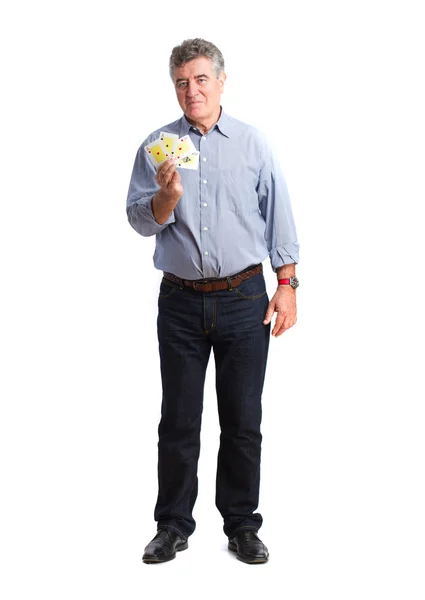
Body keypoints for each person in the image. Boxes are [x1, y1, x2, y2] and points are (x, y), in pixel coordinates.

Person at [126, 38, 299, 565]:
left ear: (221, 82)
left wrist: (287, 284)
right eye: (181, 81)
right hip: (179, 303)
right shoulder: (157, 146)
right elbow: (137, 218)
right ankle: (172, 525)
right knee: (178, 420)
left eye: (201, 79)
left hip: (245, 299)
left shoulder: (252, 144)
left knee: (243, 420)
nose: (191, 90)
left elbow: (279, 215)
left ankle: (243, 524)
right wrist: (166, 199)